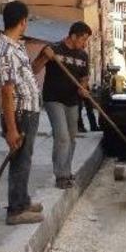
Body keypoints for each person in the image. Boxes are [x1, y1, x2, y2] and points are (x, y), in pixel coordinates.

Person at [0, 0, 46, 225]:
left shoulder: (16, 47)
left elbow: (27, 76)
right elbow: (7, 91)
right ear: (23, 21)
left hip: (29, 111)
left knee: (25, 159)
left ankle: (22, 200)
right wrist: (12, 128)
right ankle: (15, 210)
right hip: (20, 113)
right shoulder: (5, 50)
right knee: (20, 161)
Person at [34, 21, 92, 189]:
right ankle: (61, 176)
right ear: (73, 36)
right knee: (62, 137)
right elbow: (35, 69)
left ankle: (66, 171)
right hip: (53, 99)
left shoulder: (83, 56)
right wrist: (45, 56)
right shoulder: (53, 49)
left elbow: (84, 79)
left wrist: (83, 89)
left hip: (72, 101)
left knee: (72, 138)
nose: (85, 43)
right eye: (83, 39)